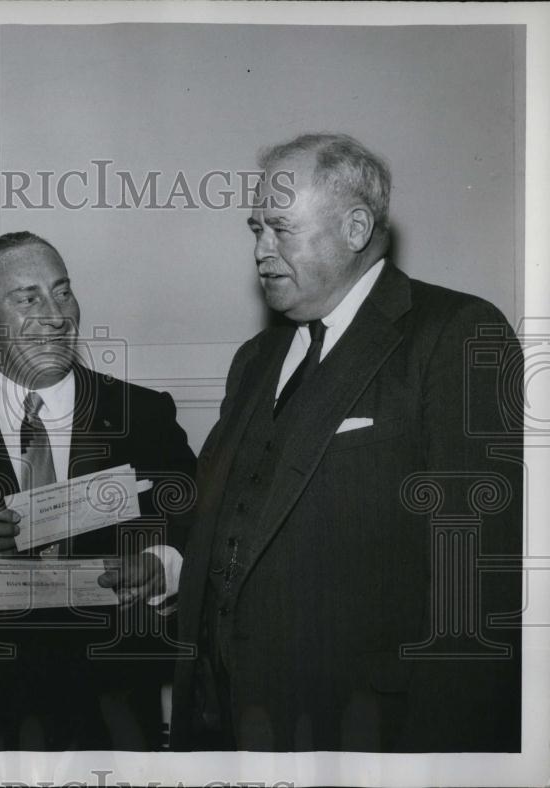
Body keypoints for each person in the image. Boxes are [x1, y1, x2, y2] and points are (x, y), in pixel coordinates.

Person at [170, 133, 522, 752]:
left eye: (281, 229)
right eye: (255, 229)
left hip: (367, 733)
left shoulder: (455, 334)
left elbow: (477, 585)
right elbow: (221, 520)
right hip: (224, 722)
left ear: (355, 227)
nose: (260, 250)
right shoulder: (255, 357)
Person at [0, 231, 197, 749]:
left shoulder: (144, 415)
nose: (56, 315)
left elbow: (197, 523)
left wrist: (161, 564)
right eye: (29, 298)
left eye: (63, 291)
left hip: (115, 715)